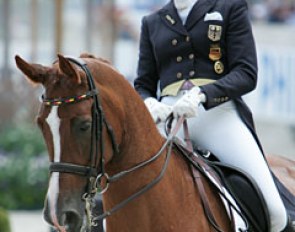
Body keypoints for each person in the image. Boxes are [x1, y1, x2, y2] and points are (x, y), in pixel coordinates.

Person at [134, 0, 295, 231]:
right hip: (169, 118)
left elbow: (246, 73)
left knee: (275, 211)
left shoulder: (228, 7)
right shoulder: (152, 21)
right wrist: (148, 102)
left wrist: (202, 94)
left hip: (218, 114)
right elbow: (143, 84)